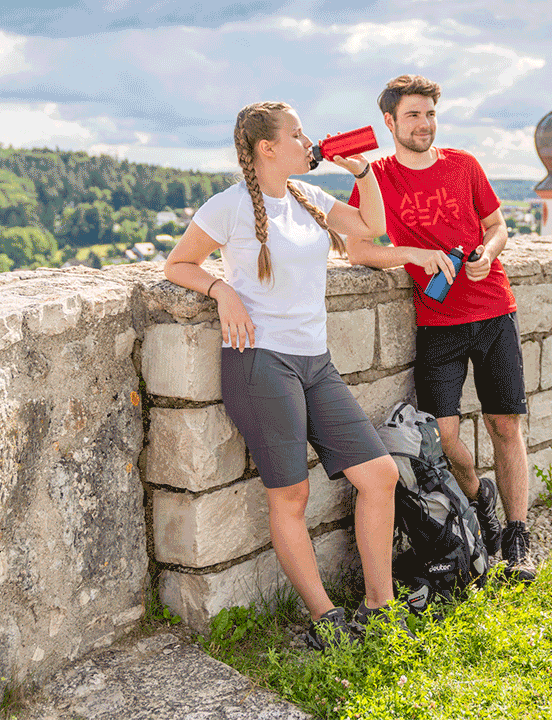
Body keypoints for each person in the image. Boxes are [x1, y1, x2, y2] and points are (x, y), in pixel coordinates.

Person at [163, 101, 406, 647]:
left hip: (315, 362)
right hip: (261, 362)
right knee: (290, 494)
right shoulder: (226, 207)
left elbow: (374, 227)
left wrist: (364, 171)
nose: (308, 140)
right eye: (296, 134)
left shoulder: (309, 199)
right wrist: (221, 289)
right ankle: (326, 619)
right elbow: (178, 264)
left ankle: (379, 607)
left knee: (379, 475)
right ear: (266, 148)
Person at [344, 75, 536, 583]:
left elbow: (497, 225)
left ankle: (516, 537)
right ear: (389, 122)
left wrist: (486, 255)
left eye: (429, 114)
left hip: (494, 307)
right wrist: (410, 254)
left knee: (505, 425)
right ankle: (478, 496)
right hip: (438, 321)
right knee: (444, 437)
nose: (424, 124)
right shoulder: (377, 175)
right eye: (413, 115)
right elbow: (357, 249)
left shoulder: (464, 164)